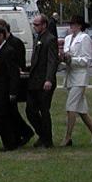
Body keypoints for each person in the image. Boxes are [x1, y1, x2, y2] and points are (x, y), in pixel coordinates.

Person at [0, 20, 32, 151]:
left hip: (3, 90)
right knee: (4, 118)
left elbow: (13, 73)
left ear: (1, 35)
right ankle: (10, 143)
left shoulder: (8, 51)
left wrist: (12, 92)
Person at [60, 15, 92, 146]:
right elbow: (66, 57)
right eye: (70, 24)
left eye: (73, 24)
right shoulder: (67, 39)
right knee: (81, 109)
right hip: (69, 75)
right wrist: (63, 59)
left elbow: (86, 60)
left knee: (71, 107)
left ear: (79, 26)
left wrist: (71, 59)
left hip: (80, 76)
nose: (71, 26)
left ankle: (68, 137)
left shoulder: (84, 38)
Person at [25, 13, 60, 148]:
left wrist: (49, 79)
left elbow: (52, 61)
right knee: (30, 110)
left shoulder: (50, 39)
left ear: (44, 25)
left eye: (37, 25)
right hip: (34, 81)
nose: (34, 27)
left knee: (44, 110)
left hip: (44, 81)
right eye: (33, 24)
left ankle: (47, 139)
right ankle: (42, 134)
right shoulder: (38, 38)